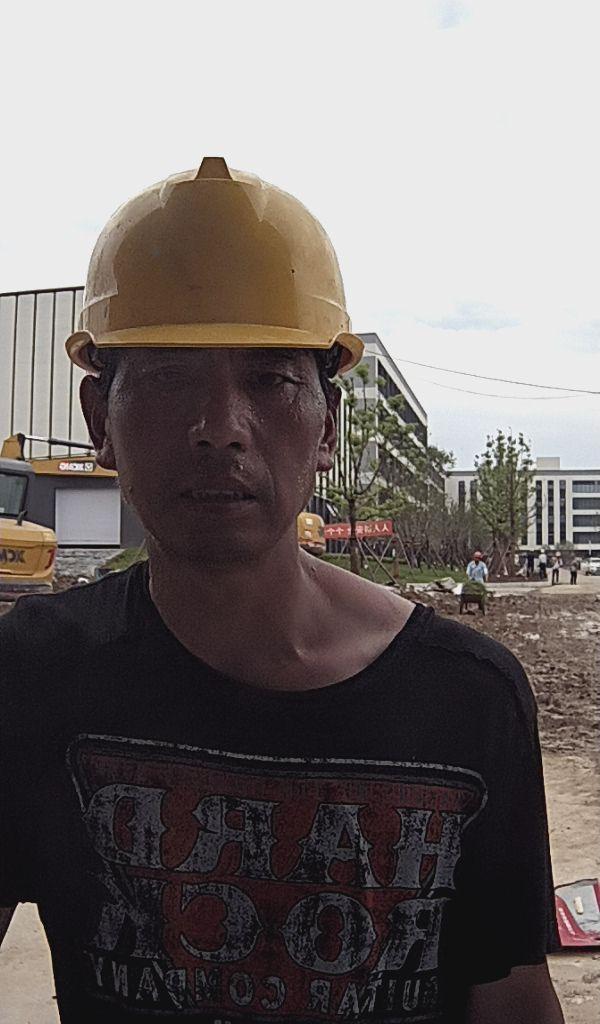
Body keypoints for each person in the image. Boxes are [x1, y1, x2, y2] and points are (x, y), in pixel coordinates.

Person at [0, 158, 564, 1024]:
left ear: (328, 426)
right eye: (168, 377)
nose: (220, 428)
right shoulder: (31, 677)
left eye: (269, 380)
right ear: (98, 418)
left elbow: (512, 996)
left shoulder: (468, 699)